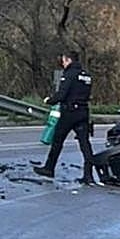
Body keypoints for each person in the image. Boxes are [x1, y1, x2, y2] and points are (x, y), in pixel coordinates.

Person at [34, 50, 95, 184]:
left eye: (63, 60)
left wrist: (49, 100)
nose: (62, 62)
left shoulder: (69, 74)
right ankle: (88, 175)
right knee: (85, 144)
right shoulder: (87, 76)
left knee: (57, 141)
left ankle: (49, 169)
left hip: (69, 113)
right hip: (83, 112)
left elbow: (62, 94)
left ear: (68, 60)